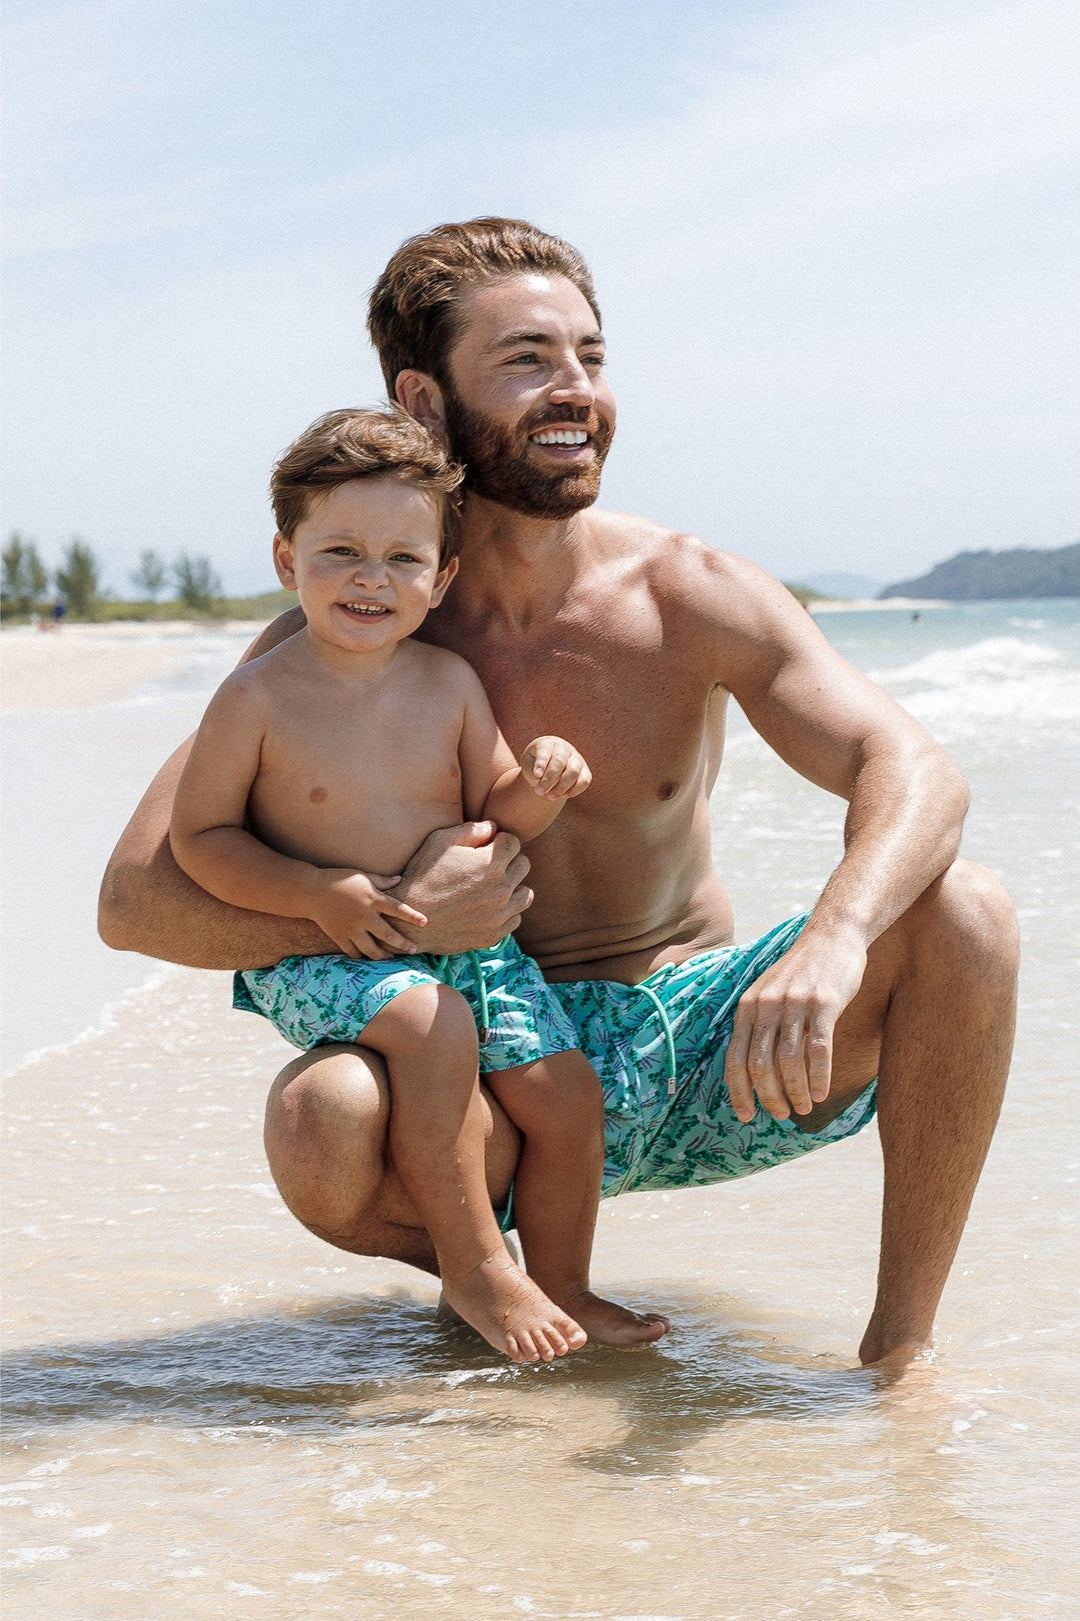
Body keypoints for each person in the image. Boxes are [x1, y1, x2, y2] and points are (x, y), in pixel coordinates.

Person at [100, 218, 1018, 1372]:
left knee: (966, 915)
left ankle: (901, 1353)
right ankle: (487, 1266)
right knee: (319, 1118)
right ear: (424, 403)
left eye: (591, 355)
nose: (576, 390)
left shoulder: (690, 591)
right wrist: (386, 912)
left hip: (688, 1042)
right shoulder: (343, 643)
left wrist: (834, 938)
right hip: (471, 1063)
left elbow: (916, 767)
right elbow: (136, 897)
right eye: (529, 360)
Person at [168, 405, 668, 1362]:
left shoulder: (446, 684)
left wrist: (545, 781)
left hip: (472, 950)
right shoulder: (257, 696)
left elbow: (501, 807)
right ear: (286, 559)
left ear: (440, 579)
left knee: (566, 1094)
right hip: (329, 951)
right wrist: (317, 893)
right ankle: (476, 1268)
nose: (371, 577)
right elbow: (200, 840)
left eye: (403, 559)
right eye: (342, 551)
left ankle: (564, 1283)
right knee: (432, 1030)